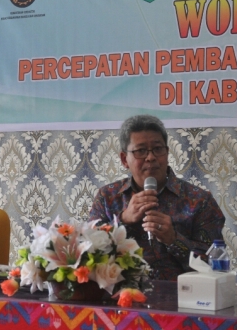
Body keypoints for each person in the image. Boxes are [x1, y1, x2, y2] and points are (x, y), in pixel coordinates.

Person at [89, 115, 225, 280]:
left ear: (167, 153)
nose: (151, 157)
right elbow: (88, 255)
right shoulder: (107, 197)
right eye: (141, 151)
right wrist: (123, 220)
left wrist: (174, 239)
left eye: (158, 149)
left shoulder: (200, 201)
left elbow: (214, 266)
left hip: (182, 294)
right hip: (121, 293)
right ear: (125, 159)